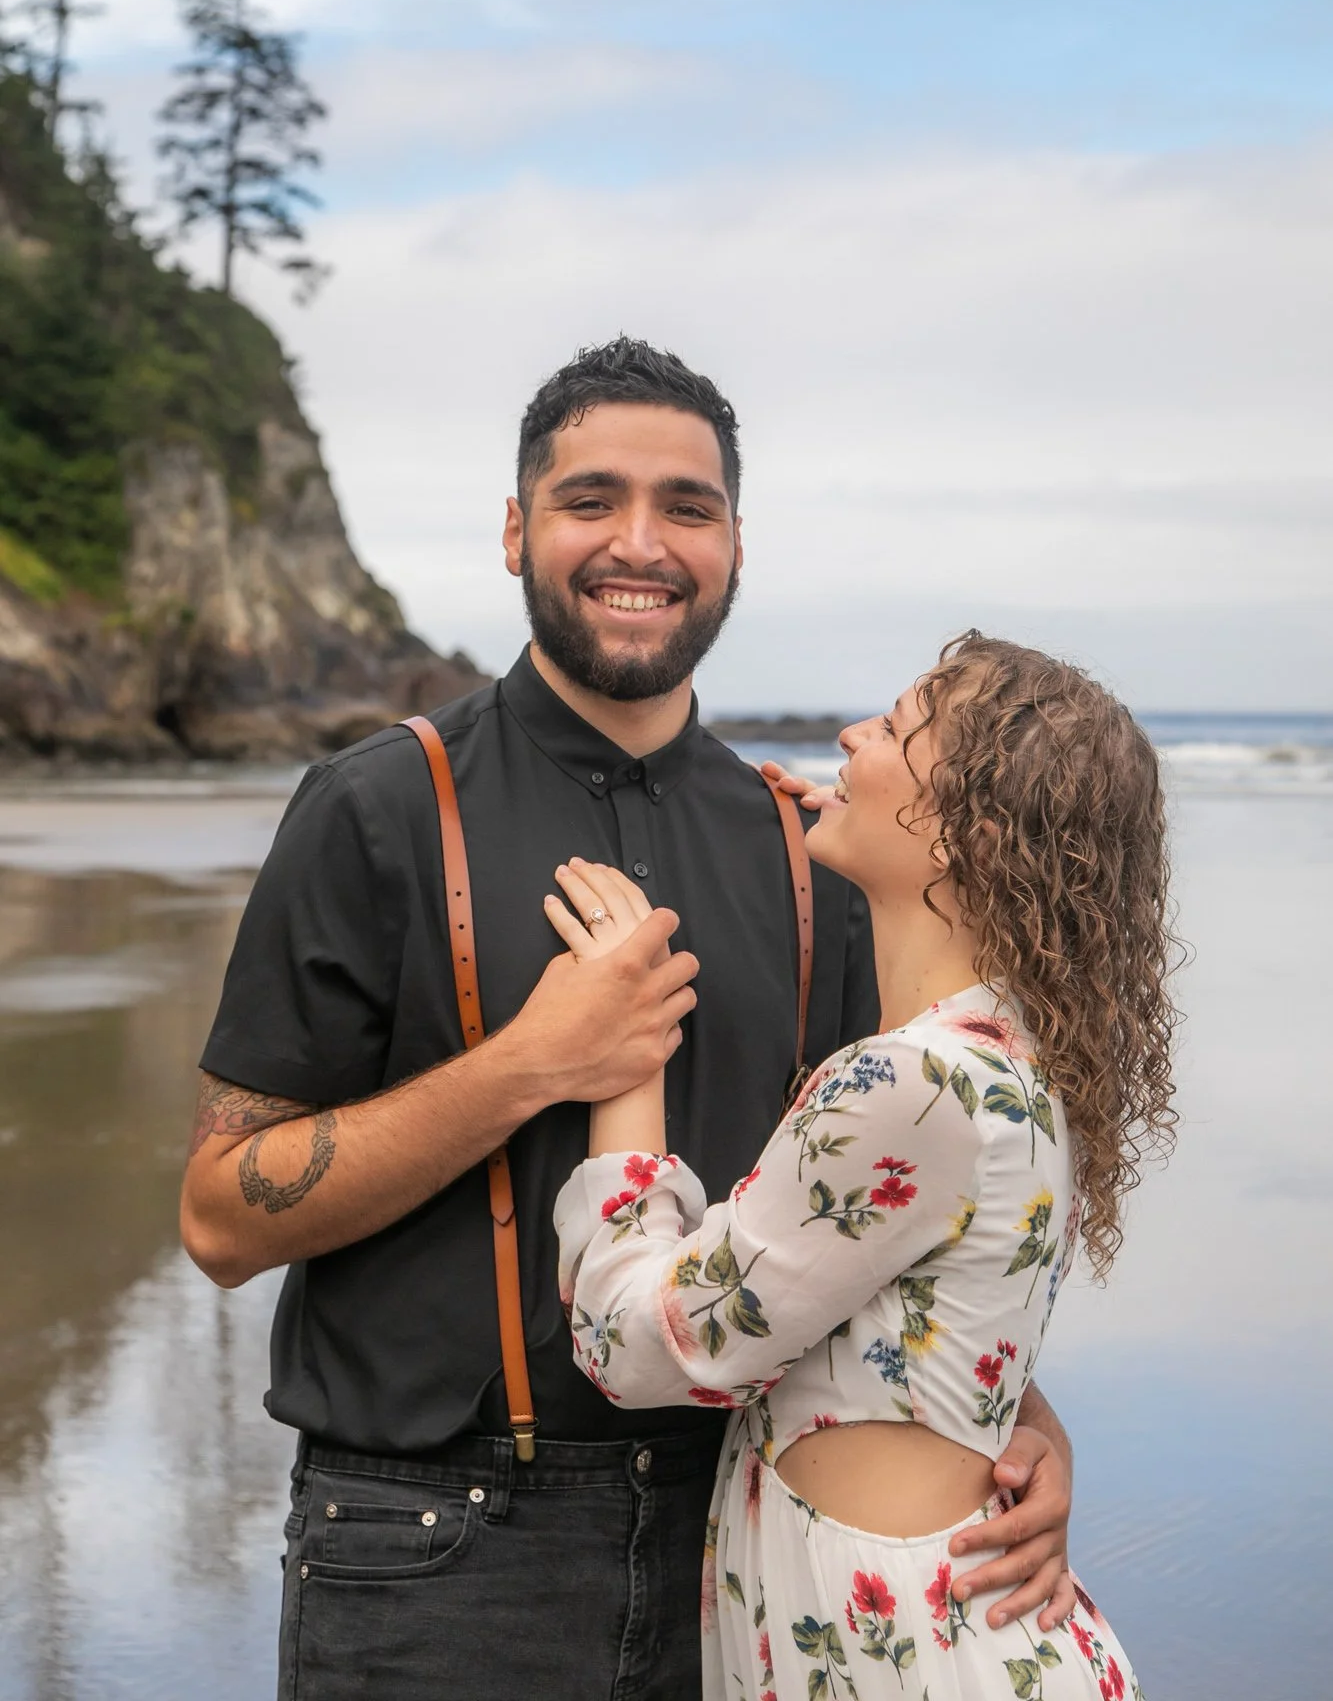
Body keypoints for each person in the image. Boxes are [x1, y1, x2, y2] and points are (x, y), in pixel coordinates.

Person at [180, 340, 1076, 1700]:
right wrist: (533, 1064)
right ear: (515, 531)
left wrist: (1021, 1422)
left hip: (754, 1552)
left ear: (734, 547)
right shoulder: (374, 809)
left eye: (687, 507)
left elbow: (882, 1207)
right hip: (429, 1555)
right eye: (590, 499)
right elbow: (221, 1217)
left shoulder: (817, 855)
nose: (640, 543)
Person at [550, 633, 1178, 1700]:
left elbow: (638, 1347)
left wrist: (624, 1051)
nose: (848, 736)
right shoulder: (1011, 1057)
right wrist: (840, 828)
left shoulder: (910, 1084)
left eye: (891, 729)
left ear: (967, 832)